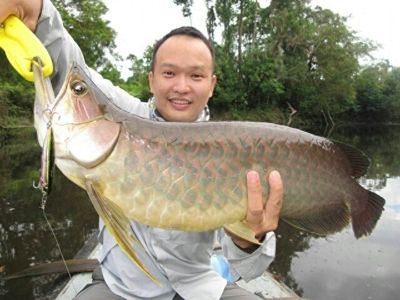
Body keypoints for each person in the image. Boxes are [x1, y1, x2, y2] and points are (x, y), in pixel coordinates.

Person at [0, 1, 284, 299]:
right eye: (169, 73)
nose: (182, 86)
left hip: (200, 287)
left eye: (196, 76)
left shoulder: (236, 148)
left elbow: (248, 269)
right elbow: (70, 67)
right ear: (151, 79)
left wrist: (250, 239)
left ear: (212, 85)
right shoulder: (121, 114)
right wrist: (37, 10)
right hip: (121, 289)